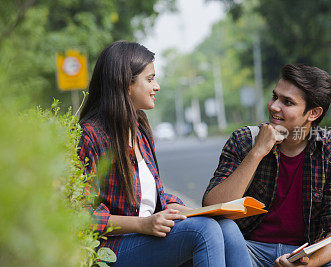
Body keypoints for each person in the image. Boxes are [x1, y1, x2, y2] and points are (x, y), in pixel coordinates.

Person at [77, 40, 252, 267]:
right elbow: (82, 214)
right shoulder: (90, 136)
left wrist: (200, 212)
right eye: (150, 79)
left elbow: (153, 197)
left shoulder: (138, 128)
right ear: (125, 85)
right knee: (204, 231)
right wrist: (143, 225)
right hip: (112, 246)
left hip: (145, 236)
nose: (157, 86)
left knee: (224, 225)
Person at [203, 64, 331, 267]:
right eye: (274, 97)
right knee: (224, 231)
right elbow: (212, 207)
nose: (273, 106)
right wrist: (257, 152)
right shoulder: (245, 140)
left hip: (303, 254)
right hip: (247, 250)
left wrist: (308, 264)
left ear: (313, 113)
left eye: (287, 102)